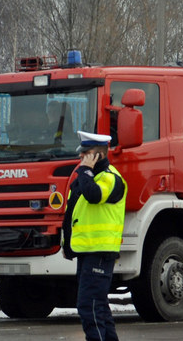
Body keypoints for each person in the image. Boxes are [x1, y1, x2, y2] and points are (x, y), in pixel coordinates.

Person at [62, 130, 127, 341]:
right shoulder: (86, 178)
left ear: (97, 155)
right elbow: (72, 211)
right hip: (87, 251)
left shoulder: (111, 178)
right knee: (97, 306)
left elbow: (93, 196)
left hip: (100, 252)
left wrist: (85, 172)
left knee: (88, 307)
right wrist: (67, 245)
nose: (80, 158)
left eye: (85, 154)